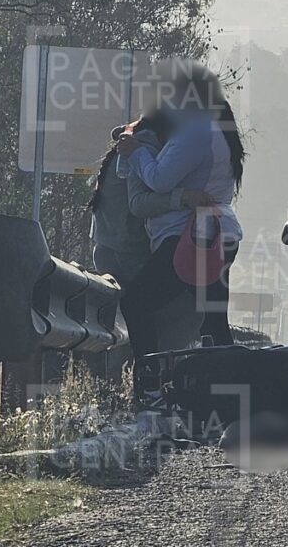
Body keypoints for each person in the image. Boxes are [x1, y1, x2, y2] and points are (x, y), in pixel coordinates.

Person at [117, 62, 245, 357]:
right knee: (213, 322)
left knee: (135, 303)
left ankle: (150, 382)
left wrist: (136, 153)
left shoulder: (195, 131)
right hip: (218, 235)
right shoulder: (218, 128)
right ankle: (226, 382)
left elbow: (160, 180)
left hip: (188, 239)